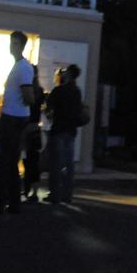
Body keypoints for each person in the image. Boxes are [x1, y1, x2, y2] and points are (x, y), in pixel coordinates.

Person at [0, 31, 37, 214]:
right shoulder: (20, 66)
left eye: (14, 43)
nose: (11, 46)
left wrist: (23, 103)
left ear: (21, 45)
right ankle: (12, 202)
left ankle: (1, 201)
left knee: (5, 160)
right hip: (14, 117)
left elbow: (28, 95)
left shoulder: (22, 68)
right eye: (11, 43)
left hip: (13, 119)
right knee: (10, 161)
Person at [44, 63, 83, 204]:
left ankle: (55, 194)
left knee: (56, 164)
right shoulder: (77, 91)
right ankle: (67, 195)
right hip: (71, 131)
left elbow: (48, 108)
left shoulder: (59, 90)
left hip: (58, 129)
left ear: (68, 74)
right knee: (69, 164)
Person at [21, 63, 46, 203]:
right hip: (35, 128)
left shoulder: (27, 90)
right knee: (34, 161)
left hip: (26, 128)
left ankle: (27, 188)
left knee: (26, 160)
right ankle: (34, 190)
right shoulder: (40, 91)